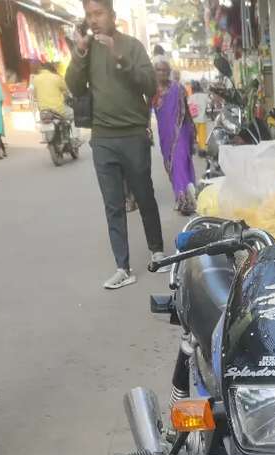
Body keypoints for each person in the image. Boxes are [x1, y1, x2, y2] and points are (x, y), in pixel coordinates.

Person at [66, 0, 166, 290]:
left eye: (98, 13)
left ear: (112, 15)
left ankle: (157, 251)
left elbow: (149, 85)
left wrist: (119, 57)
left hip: (133, 134)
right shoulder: (87, 50)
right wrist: (80, 52)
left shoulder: (132, 46)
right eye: (89, 15)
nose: (93, 20)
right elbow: (74, 86)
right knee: (113, 205)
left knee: (144, 195)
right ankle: (123, 267)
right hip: (103, 138)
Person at [152, 57, 196, 215]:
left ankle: (184, 199)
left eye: (165, 70)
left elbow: (186, 111)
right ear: (154, 72)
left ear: (169, 72)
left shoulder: (178, 88)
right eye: (159, 70)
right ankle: (181, 195)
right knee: (171, 165)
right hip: (165, 136)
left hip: (181, 131)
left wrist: (192, 129)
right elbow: (145, 112)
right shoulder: (152, 91)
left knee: (180, 162)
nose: (162, 73)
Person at [188, 80, 208, 155]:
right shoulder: (205, 96)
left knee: (193, 134)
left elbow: (188, 106)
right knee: (202, 135)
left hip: (194, 119)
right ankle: (202, 149)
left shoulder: (191, 97)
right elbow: (209, 103)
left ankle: (192, 147)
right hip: (202, 119)